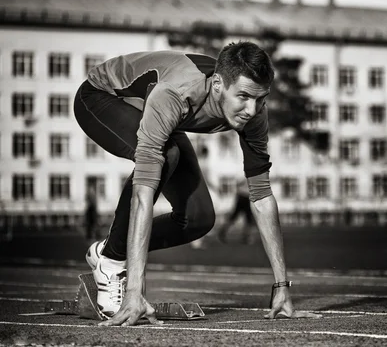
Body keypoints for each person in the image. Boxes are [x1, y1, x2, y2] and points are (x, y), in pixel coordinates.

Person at [74, 41, 319, 326]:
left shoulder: (254, 113)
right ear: (218, 85)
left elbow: (262, 197)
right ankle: (112, 263)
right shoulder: (177, 93)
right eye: (243, 96)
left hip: (156, 113)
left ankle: (107, 250)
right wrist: (134, 291)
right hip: (102, 98)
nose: (252, 110)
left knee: (198, 219)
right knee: (166, 155)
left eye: (260, 99)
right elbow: (143, 192)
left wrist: (281, 287)